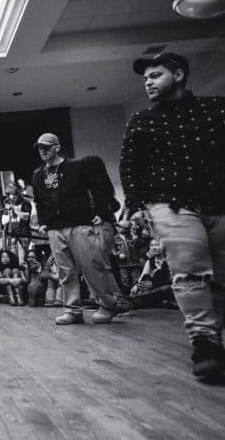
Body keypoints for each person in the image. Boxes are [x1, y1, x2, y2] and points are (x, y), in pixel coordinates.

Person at [120, 52, 225, 379]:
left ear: (178, 74)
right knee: (189, 270)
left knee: (220, 277)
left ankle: (215, 338)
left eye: (155, 75)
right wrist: (137, 206)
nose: (148, 82)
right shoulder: (141, 120)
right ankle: (204, 343)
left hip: (218, 200)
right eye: (145, 78)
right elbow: (130, 168)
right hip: (170, 203)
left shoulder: (216, 109)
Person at [32, 132, 123, 325]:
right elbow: (40, 202)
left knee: (92, 265)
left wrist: (100, 211)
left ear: (57, 147)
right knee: (65, 270)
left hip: (80, 223)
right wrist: (42, 222)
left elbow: (98, 189)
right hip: (55, 227)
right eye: (40, 148)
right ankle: (73, 309)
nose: (43, 151)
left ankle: (108, 304)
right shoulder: (38, 174)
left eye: (47, 147)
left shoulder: (76, 167)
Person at [0, 183, 32, 260]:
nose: (12, 198)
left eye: (14, 196)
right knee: (13, 259)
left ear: (18, 195)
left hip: (23, 235)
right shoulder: (7, 203)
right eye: (10, 196)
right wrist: (7, 211)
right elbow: (4, 222)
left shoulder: (25, 203)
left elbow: (26, 217)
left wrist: (14, 209)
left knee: (22, 260)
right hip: (11, 236)